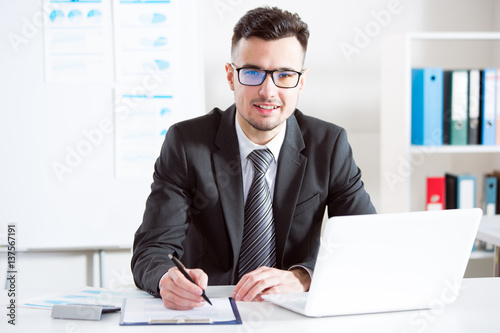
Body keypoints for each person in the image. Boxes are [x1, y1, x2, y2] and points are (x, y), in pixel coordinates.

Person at [131, 6, 376, 310]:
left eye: (284, 75)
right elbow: (152, 250)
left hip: (292, 313)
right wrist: (165, 279)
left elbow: (366, 246)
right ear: (231, 77)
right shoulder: (186, 143)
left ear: (301, 80)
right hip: (209, 311)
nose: (267, 91)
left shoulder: (329, 145)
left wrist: (303, 277)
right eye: (252, 73)